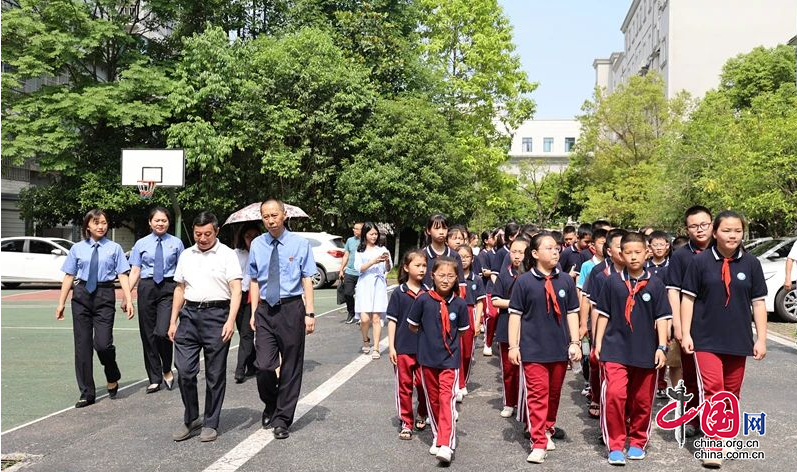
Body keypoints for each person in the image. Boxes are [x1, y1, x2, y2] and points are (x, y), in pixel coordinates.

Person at [680, 211, 768, 469]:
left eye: (737, 231)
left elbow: (759, 303)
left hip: (738, 339)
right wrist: (685, 333)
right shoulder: (699, 262)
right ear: (715, 232)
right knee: (714, 389)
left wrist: (761, 338)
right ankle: (713, 442)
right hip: (705, 339)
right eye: (727, 230)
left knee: (731, 393)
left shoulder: (752, 264)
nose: (732, 235)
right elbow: (688, 299)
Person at [595, 232, 670, 465]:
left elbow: (663, 317)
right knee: (615, 394)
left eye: (638, 252)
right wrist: (598, 344)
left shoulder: (656, 284)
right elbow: (603, 315)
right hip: (615, 348)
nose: (634, 257)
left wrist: (662, 346)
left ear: (647, 252)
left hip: (646, 350)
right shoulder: (611, 281)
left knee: (642, 399)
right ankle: (615, 444)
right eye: (628, 252)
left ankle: (638, 441)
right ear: (620, 254)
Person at [168, 211, 242, 442]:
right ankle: (192, 418)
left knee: (215, 373)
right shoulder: (186, 255)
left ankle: (211, 422)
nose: (202, 238)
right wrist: (173, 320)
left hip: (218, 315)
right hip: (189, 316)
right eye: (198, 234)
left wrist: (231, 320)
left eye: (207, 234)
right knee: (185, 372)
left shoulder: (228, 255)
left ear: (216, 231)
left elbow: (236, 289)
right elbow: (179, 288)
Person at [507, 232, 581, 464]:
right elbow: (515, 316)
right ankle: (538, 441)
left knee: (554, 394)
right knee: (538, 396)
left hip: (559, 349)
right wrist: (513, 346)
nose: (555, 251)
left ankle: (548, 427)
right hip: (533, 350)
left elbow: (572, 313)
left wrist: (576, 342)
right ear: (536, 253)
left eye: (557, 248)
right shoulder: (524, 282)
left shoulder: (566, 281)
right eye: (549, 248)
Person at [248, 199, 316, 440]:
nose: (270, 220)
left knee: (291, 366)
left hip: (291, 308)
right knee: (264, 365)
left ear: (284, 215)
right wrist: (255, 311)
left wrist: (310, 313)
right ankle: (271, 403)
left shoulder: (300, 244)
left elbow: (307, 278)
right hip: (266, 310)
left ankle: (283, 419)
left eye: (274, 215)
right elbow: (254, 280)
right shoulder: (257, 244)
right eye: (266, 216)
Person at [56, 209, 134, 408]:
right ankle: (86, 392)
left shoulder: (114, 248)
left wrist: (129, 298)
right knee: (82, 347)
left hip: (105, 295)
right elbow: (69, 276)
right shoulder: (77, 249)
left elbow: (123, 275)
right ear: (87, 226)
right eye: (96, 222)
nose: (101, 226)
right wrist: (61, 303)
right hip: (81, 294)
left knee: (102, 344)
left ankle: (112, 372)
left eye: (104, 222)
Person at [407, 256, 470, 465]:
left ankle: (446, 443)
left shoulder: (460, 304)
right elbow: (413, 326)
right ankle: (438, 433)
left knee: (446, 399)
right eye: (441, 275)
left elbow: (461, 333)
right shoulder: (423, 300)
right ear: (431, 275)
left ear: (456, 278)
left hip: (449, 362)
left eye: (451, 276)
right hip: (427, 360)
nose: (445, 280)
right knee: (433, 400)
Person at [665, 205, 713, 438]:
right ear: (687, 229)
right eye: (694, 226)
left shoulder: (723, 250)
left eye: (704, 224)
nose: (700, 230)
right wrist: (678, 325)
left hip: (718, 323)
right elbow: (673, 292)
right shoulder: (681, 256)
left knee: (717, 379)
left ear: (712, 224)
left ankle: (717, 420)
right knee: (691, 374)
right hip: (690, 323)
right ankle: (694, 419)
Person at [128, 207, 184, 394]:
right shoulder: (141, 244)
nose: (160, 223)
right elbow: (135, 270)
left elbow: (182, 270)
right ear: (150, 222)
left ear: (169, 222)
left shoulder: (176, 243)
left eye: (164, 220)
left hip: (168, 287)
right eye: (157, 220)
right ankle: (154, 377)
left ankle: (167, 367)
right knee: (148, 334)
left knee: (162, 332)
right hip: (147, 287)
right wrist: (126, 295)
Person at [583, 228, 627, 419]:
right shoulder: (600, 274)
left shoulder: (643, 272)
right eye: (620, 247)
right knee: (601, 369)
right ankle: (600, 403)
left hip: (632, 334)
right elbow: (595, 307)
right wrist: (594, 337)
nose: (626, 252)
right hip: (608, 332)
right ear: (609, 250)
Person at [387, 249, 428, 440]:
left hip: (424, 349)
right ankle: (406, 422)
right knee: (404, 386)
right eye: (417, 265)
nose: (421, 269)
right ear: (406, 267)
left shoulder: (429, 293)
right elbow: (393, 321)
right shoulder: (399, 293)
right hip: (403, 347)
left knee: (423, 385)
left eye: (424, 266)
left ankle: (422, 412)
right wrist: (392, 347)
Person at [491, 236, 530, 418]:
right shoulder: (504, 274)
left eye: (521, 252)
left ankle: (525, 402)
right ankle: (509, 402)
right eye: (513, 251)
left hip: (528, 329)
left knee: (527, 369)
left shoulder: (531, 275)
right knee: (508, 369)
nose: (517, 256)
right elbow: (495, 300)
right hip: (506, 327)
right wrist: (516, 304)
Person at [355, 222, 392, 359]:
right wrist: (373, 261)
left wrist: (386, 261)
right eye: (371, 234)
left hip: (379, 284)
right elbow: (359, 268)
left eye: (376, 234)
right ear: (365, 234)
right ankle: (366, 339)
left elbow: (388, 269)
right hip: (365, 284)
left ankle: (376, 348)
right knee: (364, 318)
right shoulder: (360, 251)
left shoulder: (382, 249)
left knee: (376, 318)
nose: (374, 236)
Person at [456, 244, 486, 402]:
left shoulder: (477, 279)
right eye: (460, 257)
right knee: (458, 351)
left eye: (466, 257)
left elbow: (480, 302)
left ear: (472, 259)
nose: (463, 260)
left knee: (468, 353)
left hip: (471, 312)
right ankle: (459, 383)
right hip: (456, 313)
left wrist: (478, 321)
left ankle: (464, 379)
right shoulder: (453, 278)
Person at [233, 222, 262, 383]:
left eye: (255, 236)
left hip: (255, 296)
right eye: (248, 236)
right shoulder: (236, 254)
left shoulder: (264, 251)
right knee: (244, 332)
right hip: (238, 296)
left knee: (247, 333)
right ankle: (252, 365)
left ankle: (239, 369)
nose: (251, 239)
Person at [421, 214, 465, 295]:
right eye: (437, 228)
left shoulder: (455, 256)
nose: (441, 232)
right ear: (428, 231)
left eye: (444, 228)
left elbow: (461, 286)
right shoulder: (422, 255)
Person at [339, 222, 363, 324]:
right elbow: (346, 255)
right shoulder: (350, 240)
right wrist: (341, 269)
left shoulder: (366, 242)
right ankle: (351, 312)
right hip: (350, 271)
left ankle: (362, 315)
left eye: (357, 229)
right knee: (348, 293)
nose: (354, 230)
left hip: (362, 272)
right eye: (354, 228)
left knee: (362, 295)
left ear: (362, 230)